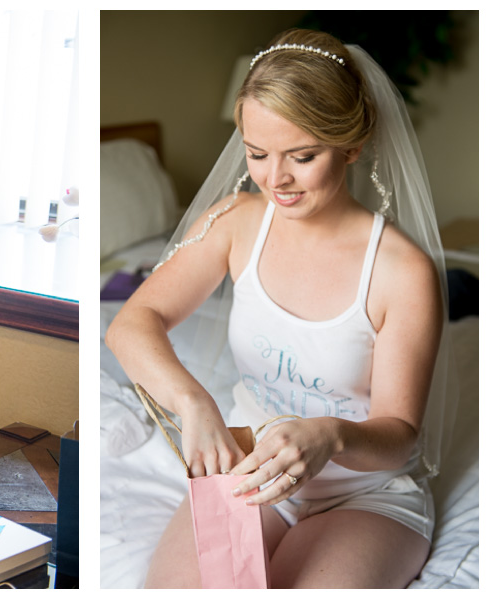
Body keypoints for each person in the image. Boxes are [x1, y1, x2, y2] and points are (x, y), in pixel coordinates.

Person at [106, 28, 454, 588]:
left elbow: (401, 433)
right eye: (257, 153)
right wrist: (192, 401)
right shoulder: (235, 223)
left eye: (303, 156)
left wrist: (330, 436)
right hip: (250, 471)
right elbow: (131, 323)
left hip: (363, 494)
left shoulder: (400, 271)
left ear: (352, 146)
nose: (276, 179)